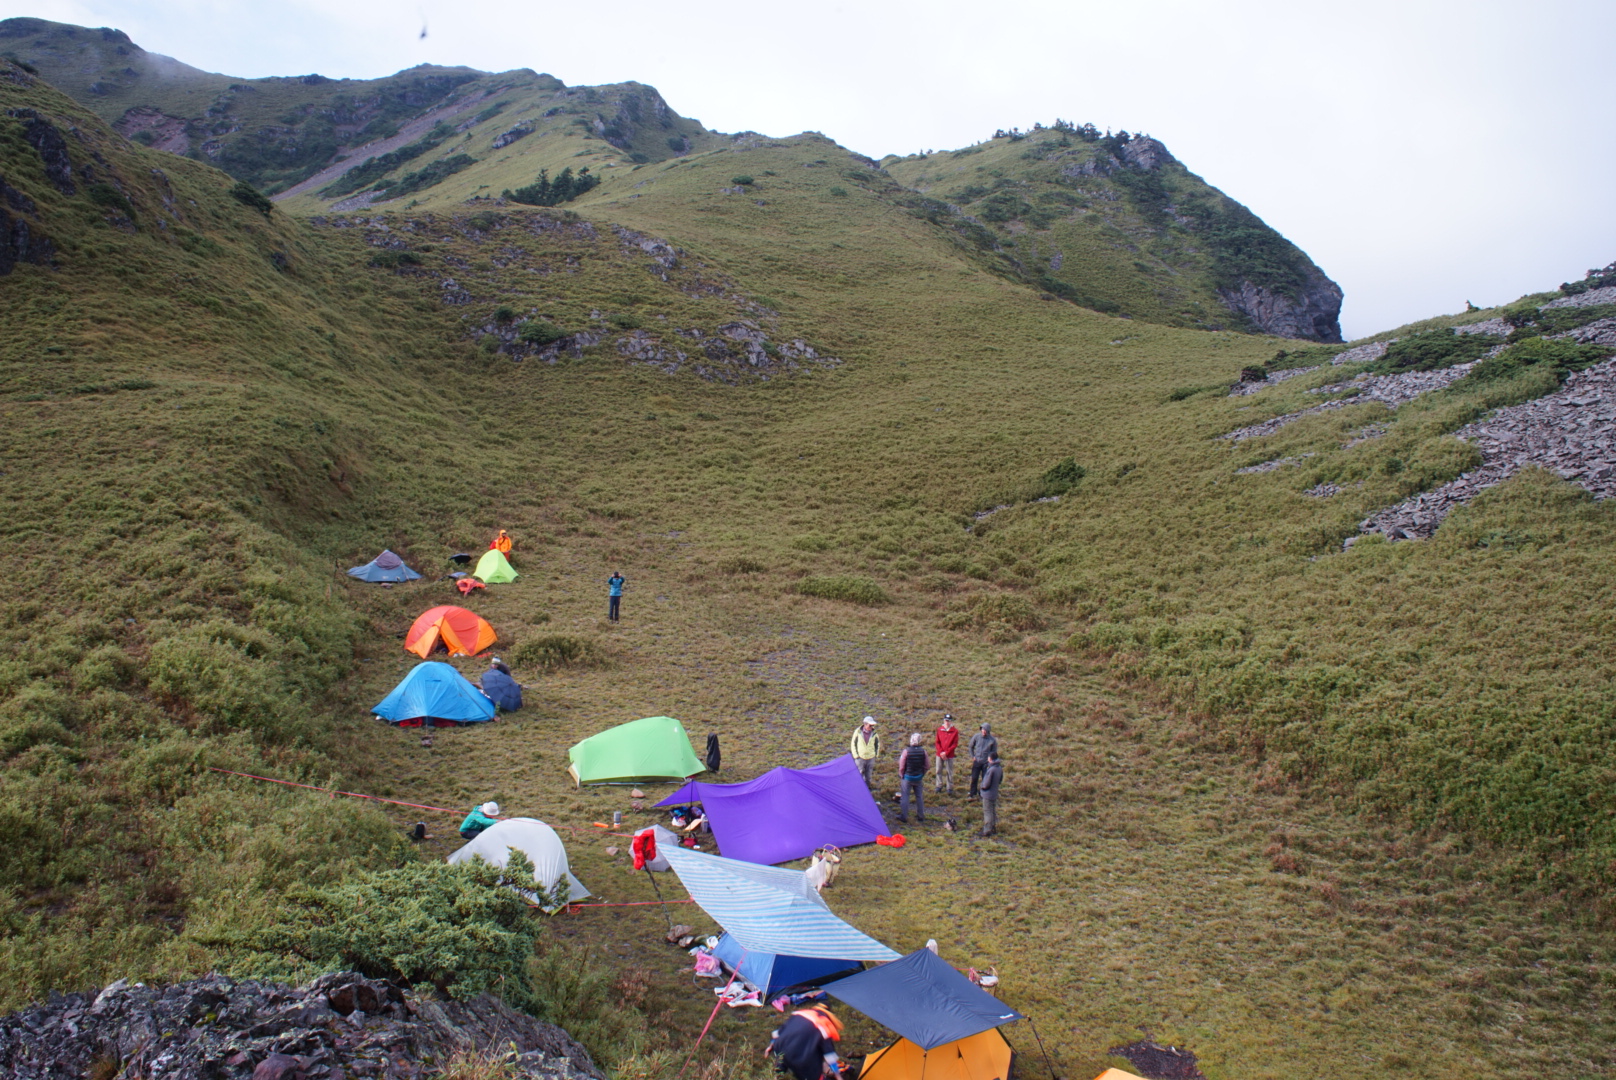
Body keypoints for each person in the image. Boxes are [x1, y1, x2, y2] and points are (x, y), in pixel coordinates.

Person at [765, 1003, 844, 1080]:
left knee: (782, 1060)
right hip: (801, 1058)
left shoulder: (799, 1015)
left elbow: (780, 1032)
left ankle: (775, 1075)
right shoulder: (823, 1026)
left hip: (781, 1047)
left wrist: (771, 1045)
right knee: (813, 1074)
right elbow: (829, 1055)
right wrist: (838, 1076)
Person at [897, 732, 928, 824]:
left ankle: (904, 816)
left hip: (907, 777)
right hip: (918, 777)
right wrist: (922, 774)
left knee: (905, 796)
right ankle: (920, 815)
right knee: (919, 796)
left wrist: (901, 774)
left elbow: (902, 766)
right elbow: (927, 765)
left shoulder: (906, 751)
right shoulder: (923, 751)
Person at [967, 722, 999, 800]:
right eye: (982, 729)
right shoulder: (976, 737)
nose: (984, 731)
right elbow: (971, 746)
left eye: (985, 730)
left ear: (988, 731)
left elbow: (994, 752)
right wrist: (973, 756)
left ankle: (983, 794)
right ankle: (972, 792)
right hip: (977, 761)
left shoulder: (992, 740)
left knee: (985, 779)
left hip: (986, 763)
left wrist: (990, 760)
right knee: (974, 777)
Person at [849, 716, 881, 787]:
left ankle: (867, 789)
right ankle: (858, 789)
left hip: (871, 758)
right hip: (860, 758)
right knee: (859, 775)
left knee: (868, 776)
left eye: (872, 725)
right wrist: (856, 756)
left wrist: (876, 755)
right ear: (865, 724)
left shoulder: (875, 734)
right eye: (870, 725)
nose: (871, 727)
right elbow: (853, 744)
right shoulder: (857, 732)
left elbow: (877, 744)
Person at [978, 752, 1003, 838]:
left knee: (987, 812)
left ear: (991, 759)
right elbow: (1000, 780)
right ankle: (993, 828)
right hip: (994, 793)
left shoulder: (991, 769)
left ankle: (987, 830)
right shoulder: (999, 768)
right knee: (992, 811)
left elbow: (986, 783)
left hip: (988, 794)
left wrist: (982, 787)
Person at [933, 713, 959, 794]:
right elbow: (937, 742)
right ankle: (938, 785)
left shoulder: (955, 731)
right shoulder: (939, 730)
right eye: (946, 720)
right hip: (939, 754)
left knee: (949, 771)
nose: (947, 722)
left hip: (949, 755)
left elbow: (954, 744)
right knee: (938, 770)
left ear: (951, 722)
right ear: (944, 721)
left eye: (949, 721)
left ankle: (949, 787)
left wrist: (946, 753)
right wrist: (941, 752)